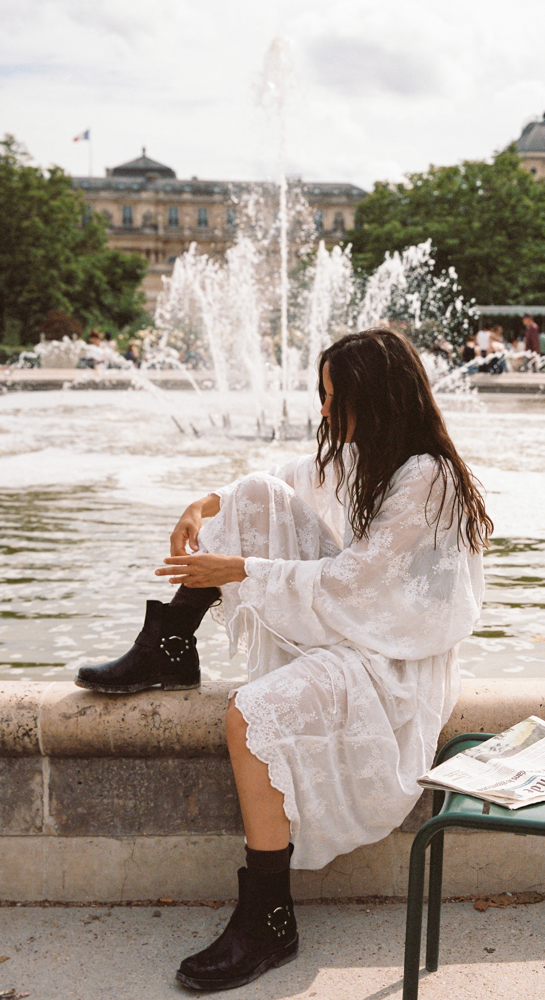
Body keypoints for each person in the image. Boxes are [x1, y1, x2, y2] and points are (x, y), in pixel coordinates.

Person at [74, 329, 491, 991]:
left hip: (395, 663)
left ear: (374, 398)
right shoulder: (371, 453)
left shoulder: (426, 477)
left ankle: (270, 916)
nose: (324, 411)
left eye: (334, 398)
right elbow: (286, 482)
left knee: (251, 713)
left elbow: (356, 584)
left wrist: (236, 567)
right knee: (255, 493)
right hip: (363, 629)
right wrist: (203, 504)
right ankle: (171, 645)